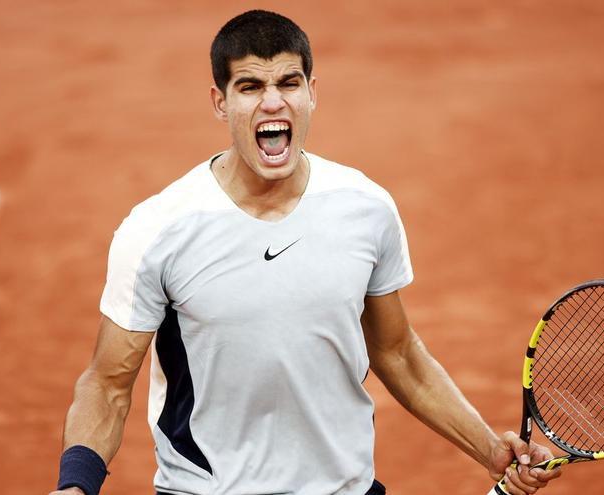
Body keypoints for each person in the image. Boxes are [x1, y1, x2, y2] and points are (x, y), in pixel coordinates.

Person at [51, 10, 562, 495]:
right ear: (219, 102)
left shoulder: (364, 208)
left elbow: (397, 351)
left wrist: (490, 449)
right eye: (250, 87)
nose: (272, 103)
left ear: (312, 94)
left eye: (288, 83)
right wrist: (77, 481)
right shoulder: (159, 229)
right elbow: (109, 382)